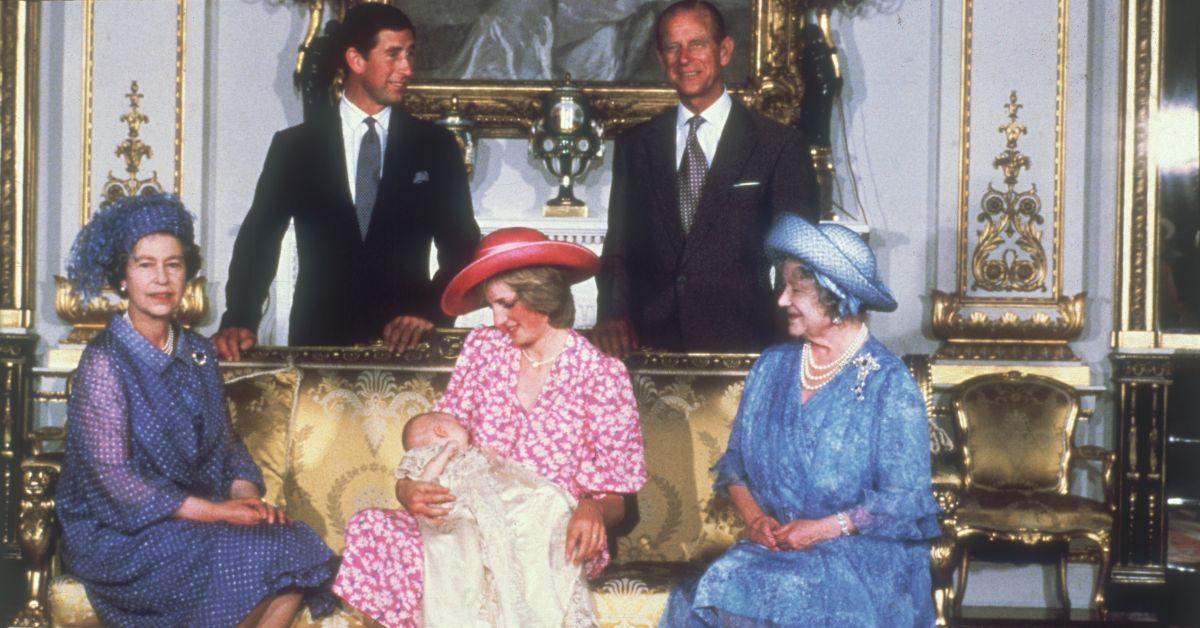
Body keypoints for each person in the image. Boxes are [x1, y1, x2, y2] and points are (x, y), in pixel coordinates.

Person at [334, 227, 646, 627]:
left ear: (544, 296)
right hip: (468, 515)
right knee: (373, 528)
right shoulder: (482, 350)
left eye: (507, 304)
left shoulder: (602, 376)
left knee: (506, 559)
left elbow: (617, 496)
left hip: (545, 531)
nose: (498, 320)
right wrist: (407, 489)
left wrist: (593, 507)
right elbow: (437, 437)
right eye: (491, 306)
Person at [57, 193, 336, 627]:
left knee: (290, 540)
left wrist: (247, 499)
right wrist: (219, 512)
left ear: (187, 272)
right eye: (145, 264)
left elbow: (226, 446)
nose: (161, 278)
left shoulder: (198, 354)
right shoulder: (104, 361)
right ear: (122, 277)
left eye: (173, 263)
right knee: (252, 553)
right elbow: (116, 482)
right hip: (119, 533)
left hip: (195, 518)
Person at [660, 214, 940, 627]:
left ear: (836, 293)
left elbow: (906, 500)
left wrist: (823, 529)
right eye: (783, 287)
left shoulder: (888, 383)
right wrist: (756, 520)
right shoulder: (772, 368)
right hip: (778, 552)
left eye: (797, 289)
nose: (782, 301)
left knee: (792, 591)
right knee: (724, 578)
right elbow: (735, 466)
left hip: (863, 556)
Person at [214, 3, 480, 360]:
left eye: (410, 53)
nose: (407, 68)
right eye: (394, 54)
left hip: (409, 346)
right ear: (356, 60)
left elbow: (462, 248)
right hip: (318, 342)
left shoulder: (437, 147)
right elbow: (259, 238)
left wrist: (429, 313)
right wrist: (240, 317)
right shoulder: (295, 147)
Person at [595, 0, 820, 358]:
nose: (684, 58)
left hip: (747, 345)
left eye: (697, 44)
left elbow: (797, 259)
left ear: (725, 50)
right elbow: (619, 247)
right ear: (661, 57)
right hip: (649, 344)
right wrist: (611, 314)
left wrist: (786, 346)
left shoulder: (778, 144)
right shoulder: (635, 145)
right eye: (673, 46)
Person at [397, 412, 595, 627]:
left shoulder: (471, 453)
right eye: (459, 425)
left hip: (493, 495)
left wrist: (491, 458)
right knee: (473, 528)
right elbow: (425, 480)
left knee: (544, 499)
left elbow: (500, 470)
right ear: (442, 431)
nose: (468, 430)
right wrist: (445, 453)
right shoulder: (432, 455)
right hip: (460, 502)